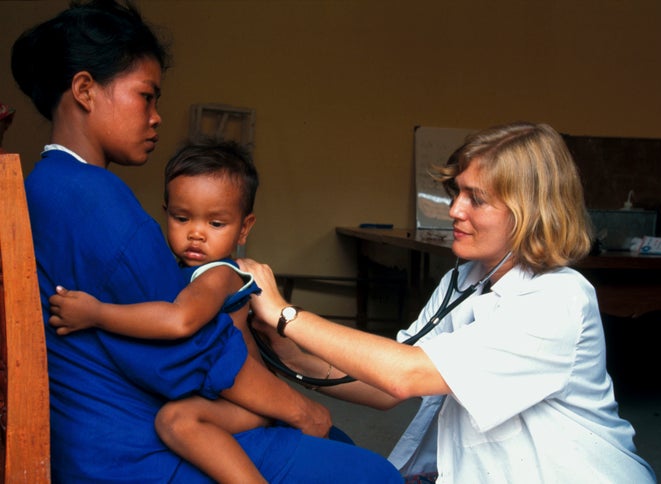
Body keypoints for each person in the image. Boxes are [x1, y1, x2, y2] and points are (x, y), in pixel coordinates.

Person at [12, 1, 402, 482]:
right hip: (135, 451)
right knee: (375, 473)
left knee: (336, 445)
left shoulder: (41, 185)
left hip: (86, 436)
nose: (156, 117)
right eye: (146, 97)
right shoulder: (97, 200)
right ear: (85, 90)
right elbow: (188, 350)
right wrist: (302, 410)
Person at [241, 122, 657, 483]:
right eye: (456, 192)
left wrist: (286, 315)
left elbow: (405, 375)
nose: (454, 209)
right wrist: (290, 354)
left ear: (529, 211)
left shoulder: (557, 299)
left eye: (475, 199)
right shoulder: (465, 278)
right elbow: (385, 388)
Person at [50, 139, 274, 483]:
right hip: (231, 395)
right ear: (166, 211)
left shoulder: (219, 274)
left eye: (216, 224)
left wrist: (96, 314)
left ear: (244, 227)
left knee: (177, 421)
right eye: (182, 218)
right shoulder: (180, 269)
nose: (196, 234)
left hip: (251, 404)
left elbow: (178, 319)